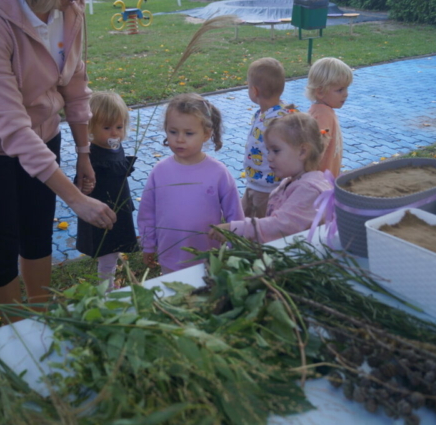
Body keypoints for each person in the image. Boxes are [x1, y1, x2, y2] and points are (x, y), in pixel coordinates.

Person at [0, 0, 116, 305]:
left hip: (42, 132)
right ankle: (14, 326)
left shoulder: (69, 9)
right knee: (0, 243)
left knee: (37, 229)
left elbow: (75, 83)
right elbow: (10, 124)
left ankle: (40, 308)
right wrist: (75, 199)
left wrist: (84, 153)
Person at [137, 93, 244, 274]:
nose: (179, 139)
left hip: (208, 258)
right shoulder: (159, 172)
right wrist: (148, 245)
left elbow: (235, 215)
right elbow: (147, 213)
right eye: (173, 132)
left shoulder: (218, 173)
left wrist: (236, 248)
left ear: (206, 134)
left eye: (188, 133)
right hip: (170, 257)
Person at [210, 113, 332, 244]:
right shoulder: (290, 182)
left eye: (276, 150)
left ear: (302, 151)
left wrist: (236, 229)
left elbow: (281, 226)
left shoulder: (309, 190)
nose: (269, 157)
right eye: (268, 151)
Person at [76, 91, 138, 290]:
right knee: (107, 253)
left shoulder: (115, 147)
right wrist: (84, 186)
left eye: (119, 127)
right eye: (107, 127)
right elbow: (80, 184)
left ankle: (109, 280)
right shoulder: (91, 156)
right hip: (103, 215)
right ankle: (106, 288)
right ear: (91, 128)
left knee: (113, 250)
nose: (115, 133)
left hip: (119, 209)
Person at [242, 57, 297, 219]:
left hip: (268, 189)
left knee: (259, 227)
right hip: (255, 183)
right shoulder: (263, 114)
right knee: (243, 216)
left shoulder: (280, 121)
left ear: (254, 91)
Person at [306, 57, 353, 178]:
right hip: (320, 185)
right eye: (340, 90)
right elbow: (315, 154)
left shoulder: (324, 111)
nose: (346, 94)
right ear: (320, 92)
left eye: (346, 88)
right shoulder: (323, 116)